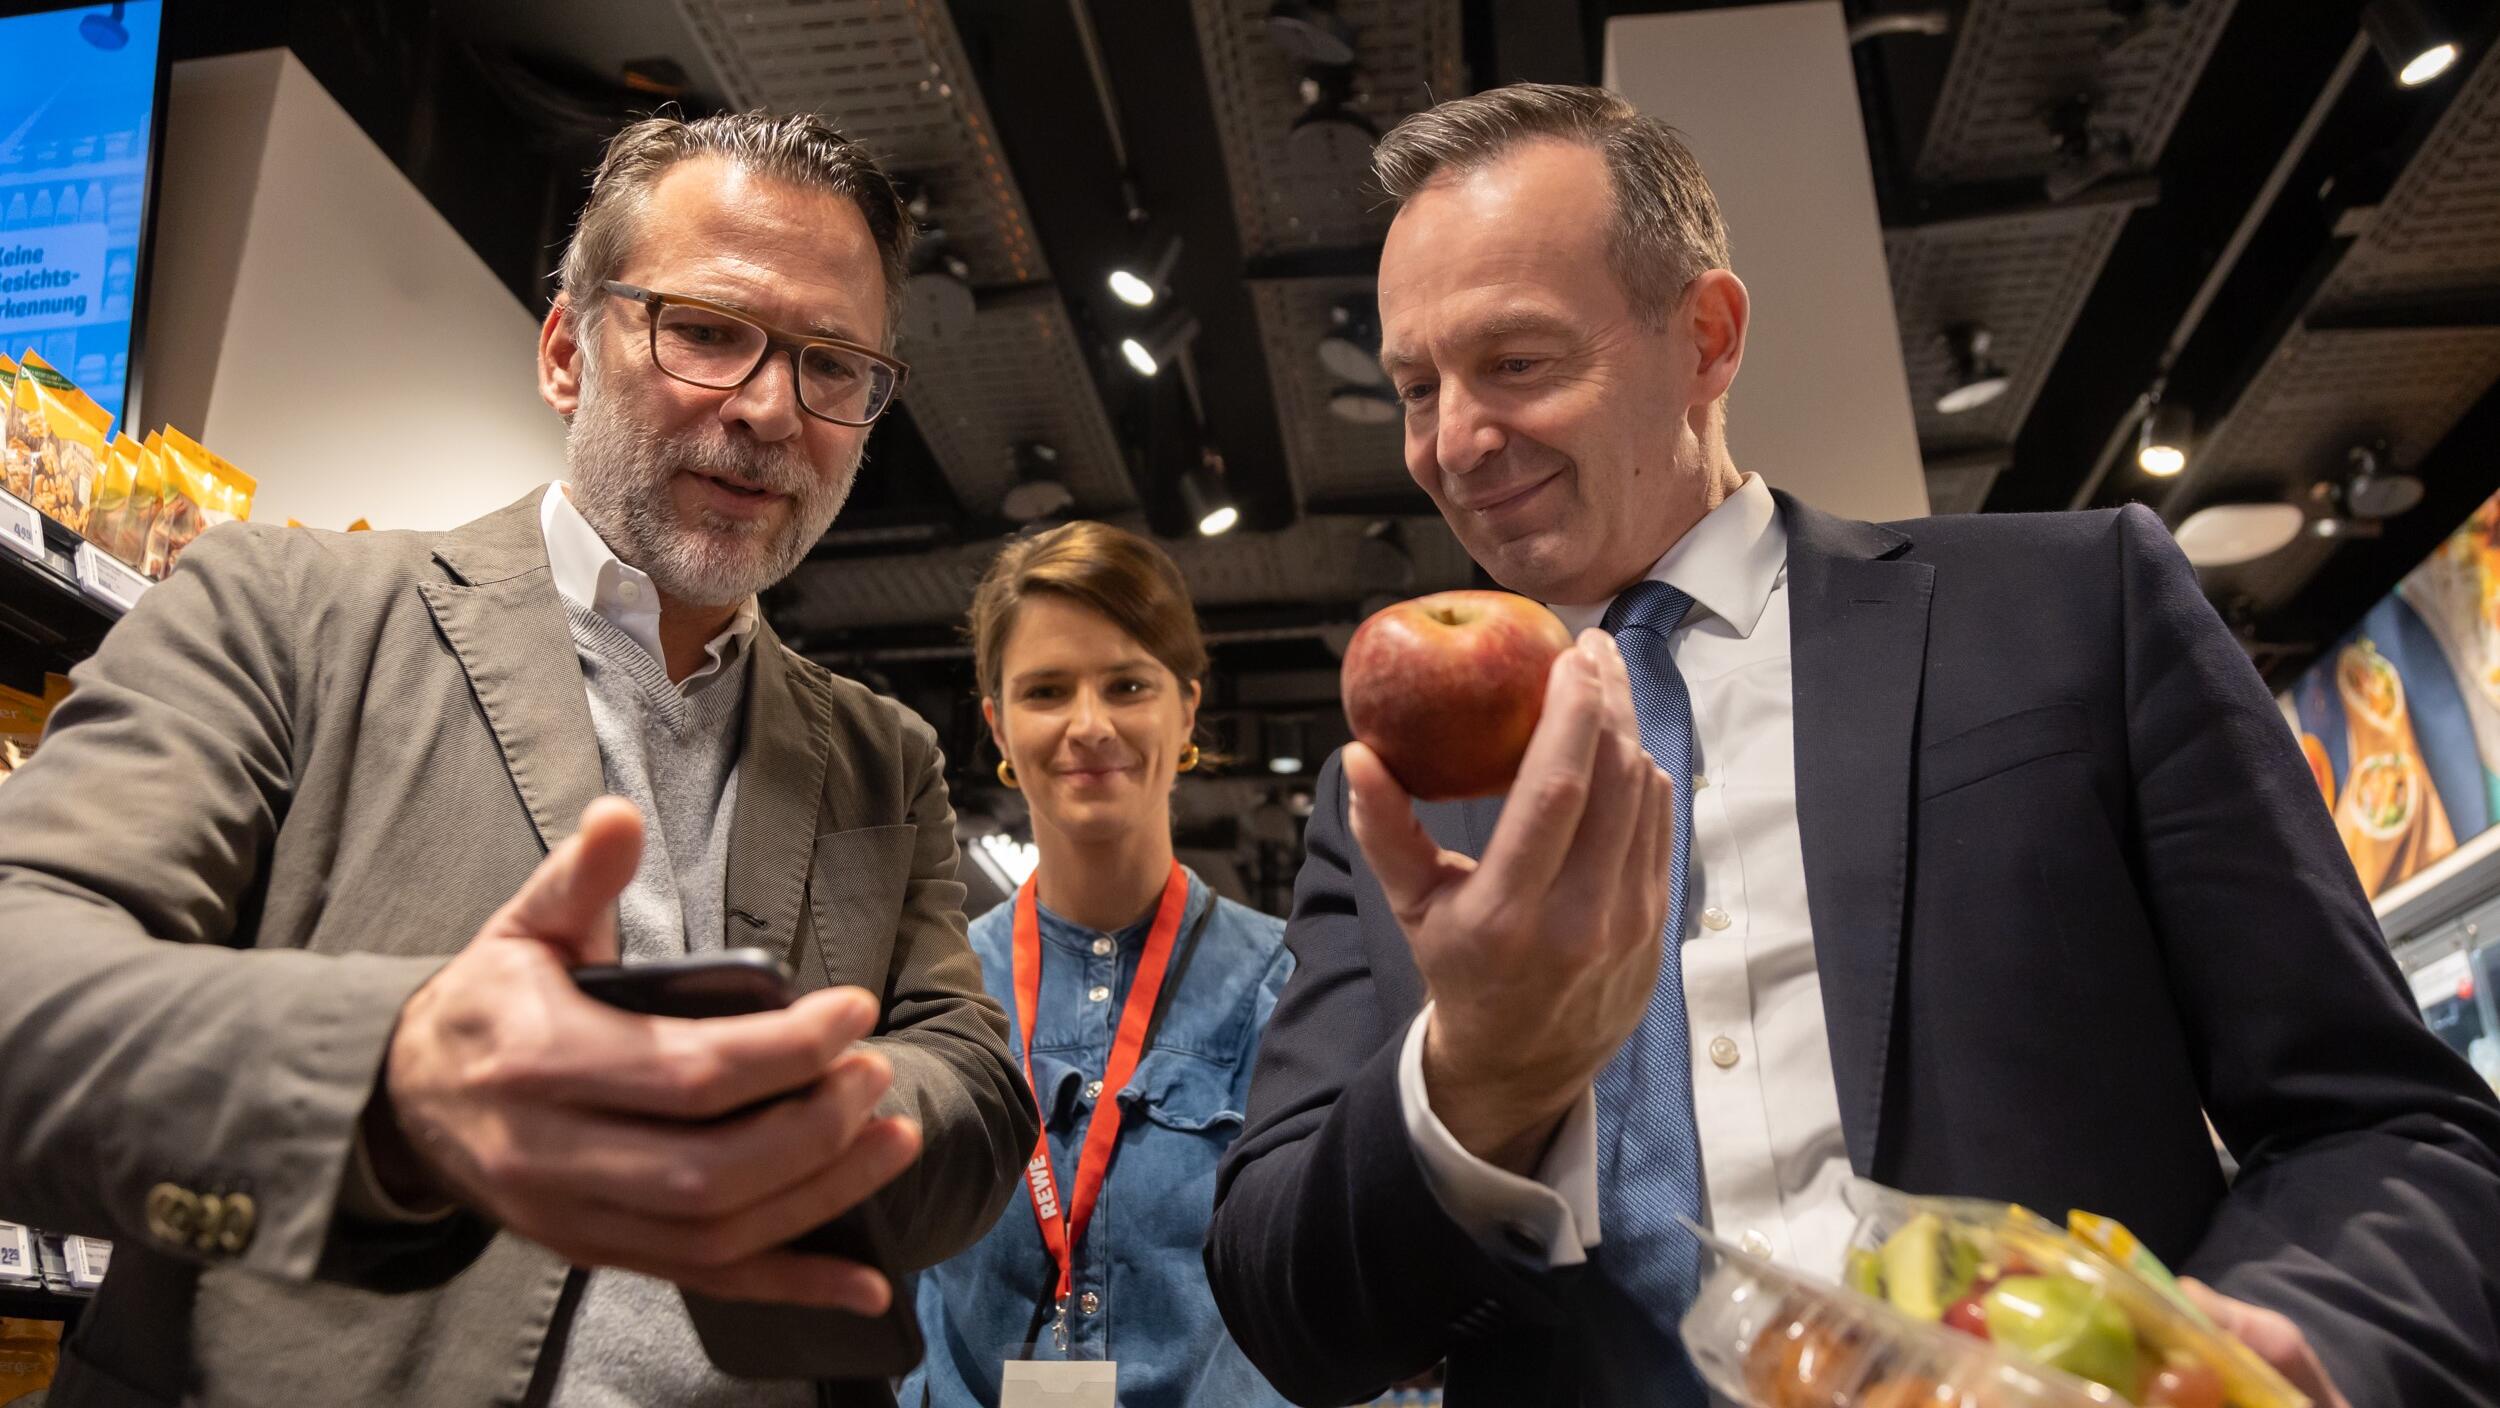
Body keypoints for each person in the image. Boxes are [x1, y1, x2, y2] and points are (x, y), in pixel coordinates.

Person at [1204, 83, 2500, 1407]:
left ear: (1706, 338)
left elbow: (2390, 1126)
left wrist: (2277, 1349)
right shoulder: (1390, 808)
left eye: (1518, 364)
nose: (1455, 442)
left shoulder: (2072, 613)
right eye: (1417, 387)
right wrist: (1469, 1083)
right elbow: (1284, 1302)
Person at [0, 111, 1034, 1406]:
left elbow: (980, 1091)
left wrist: (823, 1116)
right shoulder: (282, 610)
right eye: (707, 331)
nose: (773, 408)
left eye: (835, 366)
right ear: (564, 350)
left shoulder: (885, 760)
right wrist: (393, 1079)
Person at [902, 522, 1293, 1407]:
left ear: (1185, 710)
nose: (1088, 724)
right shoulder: (934, 991)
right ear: (998, 723)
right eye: (1047, 690)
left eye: (1126, 684)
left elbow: (1334, 1292)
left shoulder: (1290, 987)